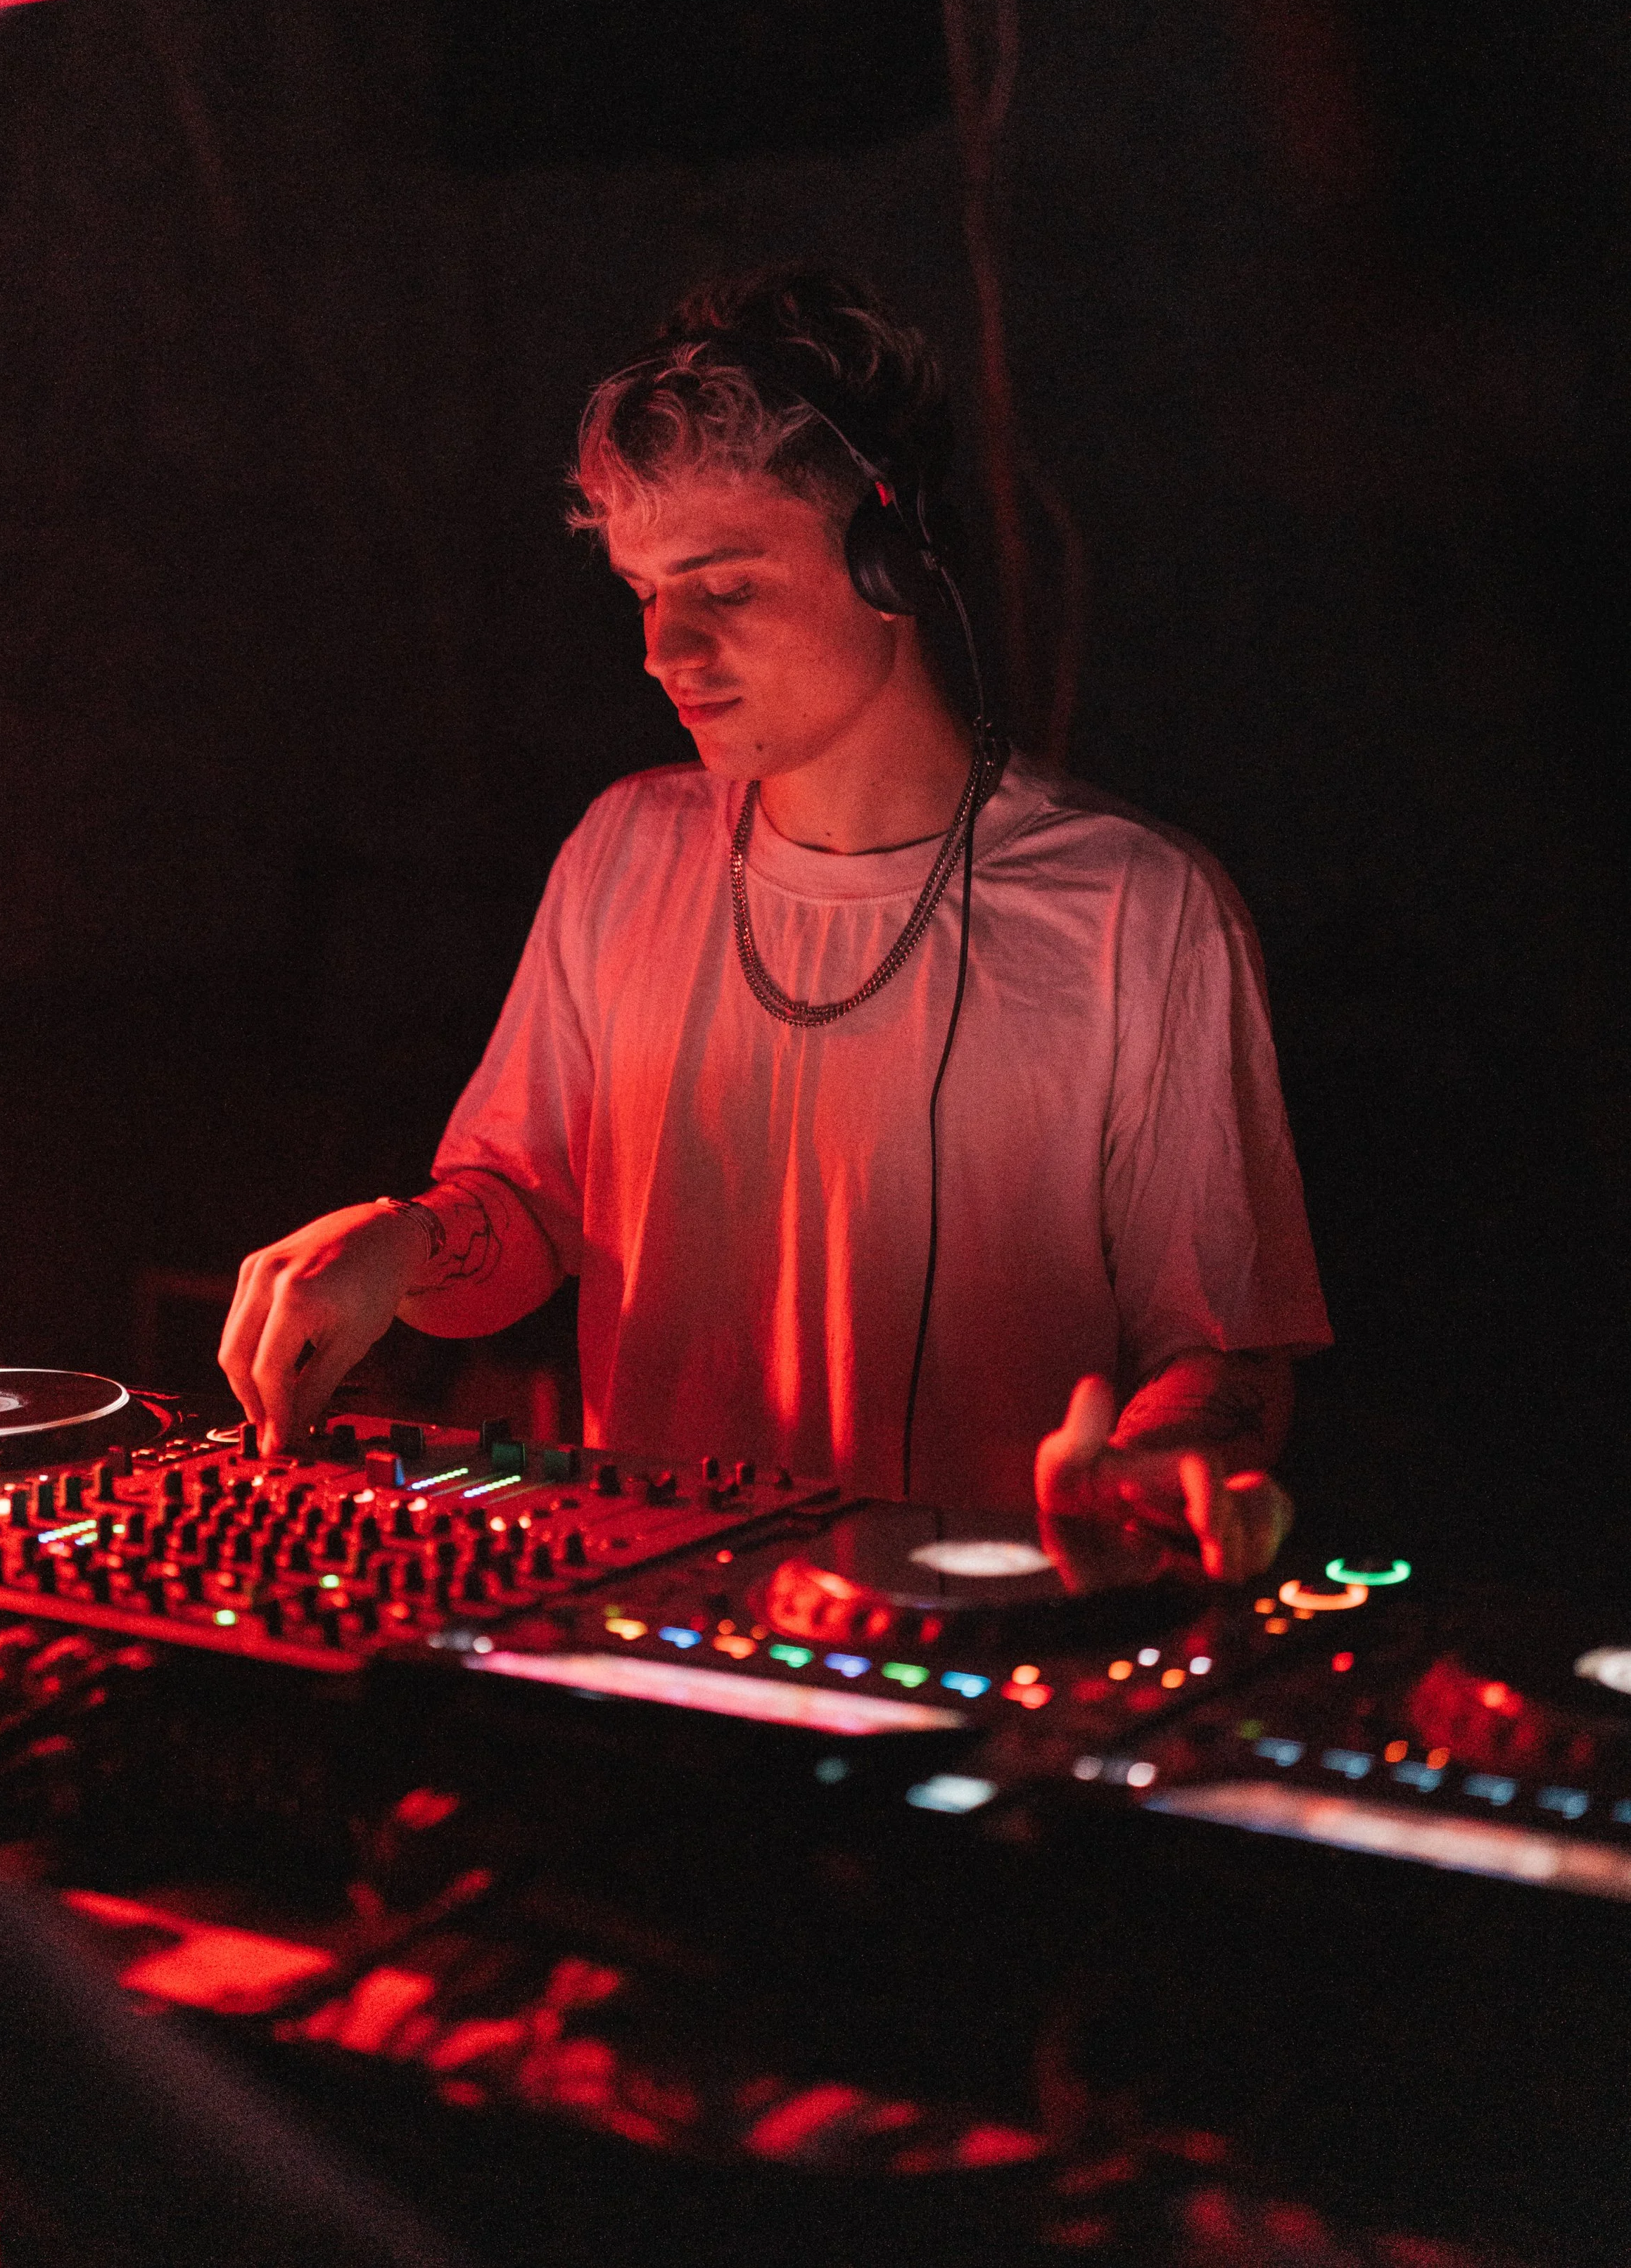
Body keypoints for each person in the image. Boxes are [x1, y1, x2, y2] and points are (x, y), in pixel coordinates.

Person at [219, 267, 1330, 1580]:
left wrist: (1161, 1458)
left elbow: (1229, 1350)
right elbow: (523, 1216)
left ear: (893, 557)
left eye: (725, 588)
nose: (663, 648)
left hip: (982, 1653)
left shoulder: (1141, 913)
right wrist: (399, 1239)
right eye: (642, 592)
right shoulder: (622, 851)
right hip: (651, 1626)